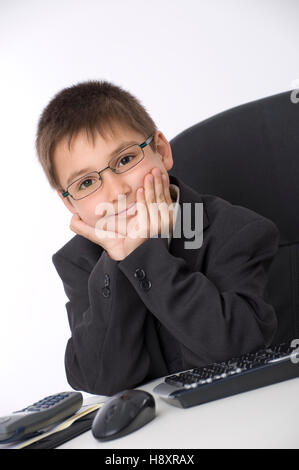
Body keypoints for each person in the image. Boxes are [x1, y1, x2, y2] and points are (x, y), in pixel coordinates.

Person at [35, 80, 280, 396]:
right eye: (85, 183)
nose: (117, 191)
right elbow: (101, 379)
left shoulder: (233, 231)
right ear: (70, 203)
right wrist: (117, 258)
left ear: (161, 152)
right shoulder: (81, 260)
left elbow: (235, 351)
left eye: (125, 160)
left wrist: (144, 254)